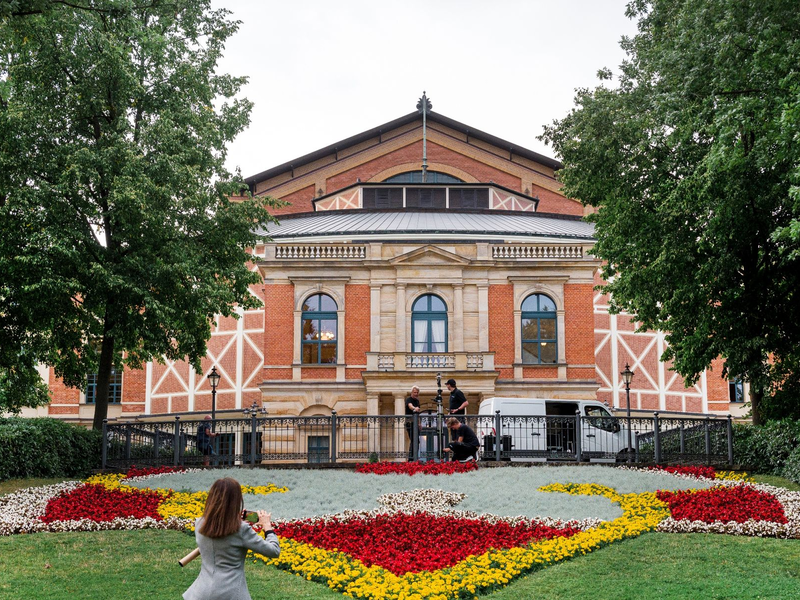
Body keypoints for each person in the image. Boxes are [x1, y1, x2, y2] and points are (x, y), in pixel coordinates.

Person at [183, 477, 280, 600]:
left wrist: (234, 521)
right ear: (235, 501)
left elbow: (220, 533)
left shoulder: (199, 523)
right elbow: (274, 551)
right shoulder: (241, 530)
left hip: (201, 592)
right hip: (231, 594)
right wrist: (267, 527)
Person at [405, 385, 422, 461]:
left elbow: (418, 414)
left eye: (417, 392)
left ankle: (414, 457)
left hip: (415, 423)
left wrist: (419, 423)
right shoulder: (409, 399)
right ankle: (411, 458)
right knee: (413, 440)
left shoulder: (417, 401)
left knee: (416, 441)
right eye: (414, 392)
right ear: (412, 392)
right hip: (410, 423)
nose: (416, 394)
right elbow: (410, 406)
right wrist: (415, 408)